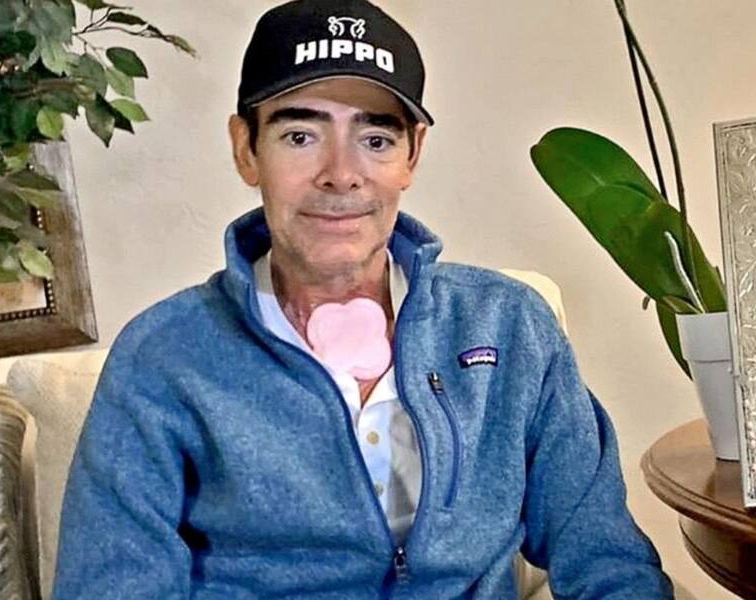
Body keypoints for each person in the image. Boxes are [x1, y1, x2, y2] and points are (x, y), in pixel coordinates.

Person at [52, 0, 675, 598]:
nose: (341, 173)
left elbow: (605, 558)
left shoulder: (507, 325)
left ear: (413, 154)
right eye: (300, 136)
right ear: (246, 149)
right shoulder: (163, 358)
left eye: (375, 140)